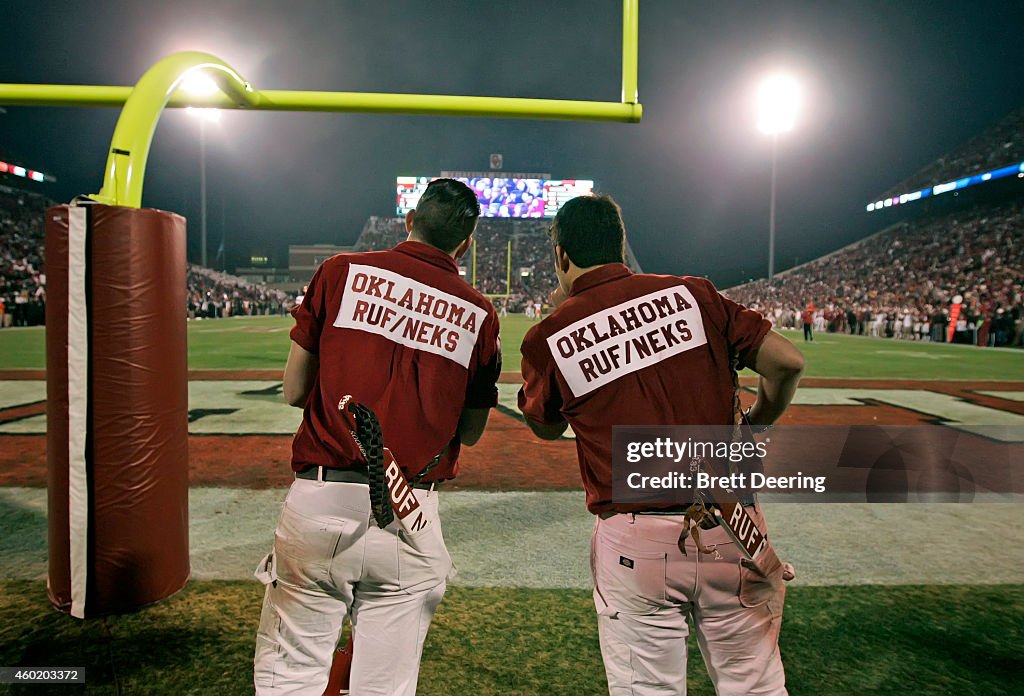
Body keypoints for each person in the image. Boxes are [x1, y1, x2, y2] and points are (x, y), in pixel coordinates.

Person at [519, 194, 804, 696]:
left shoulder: (553, 332)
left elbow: (544, 425)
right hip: (731, 524)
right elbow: (787, 361)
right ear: (622, 245)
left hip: (638, 539)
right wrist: (756, 425)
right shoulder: (694, 293)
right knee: (756, 686)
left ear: (561, 255)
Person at [254, 178, 502, 695]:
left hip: (323, 495)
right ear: (466, 245)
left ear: (409, 222)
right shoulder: (479, 312)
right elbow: (472, 432)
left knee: (291, 674)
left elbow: (295, 390)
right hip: (410, 509)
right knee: (384, 686)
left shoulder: (340, 272)